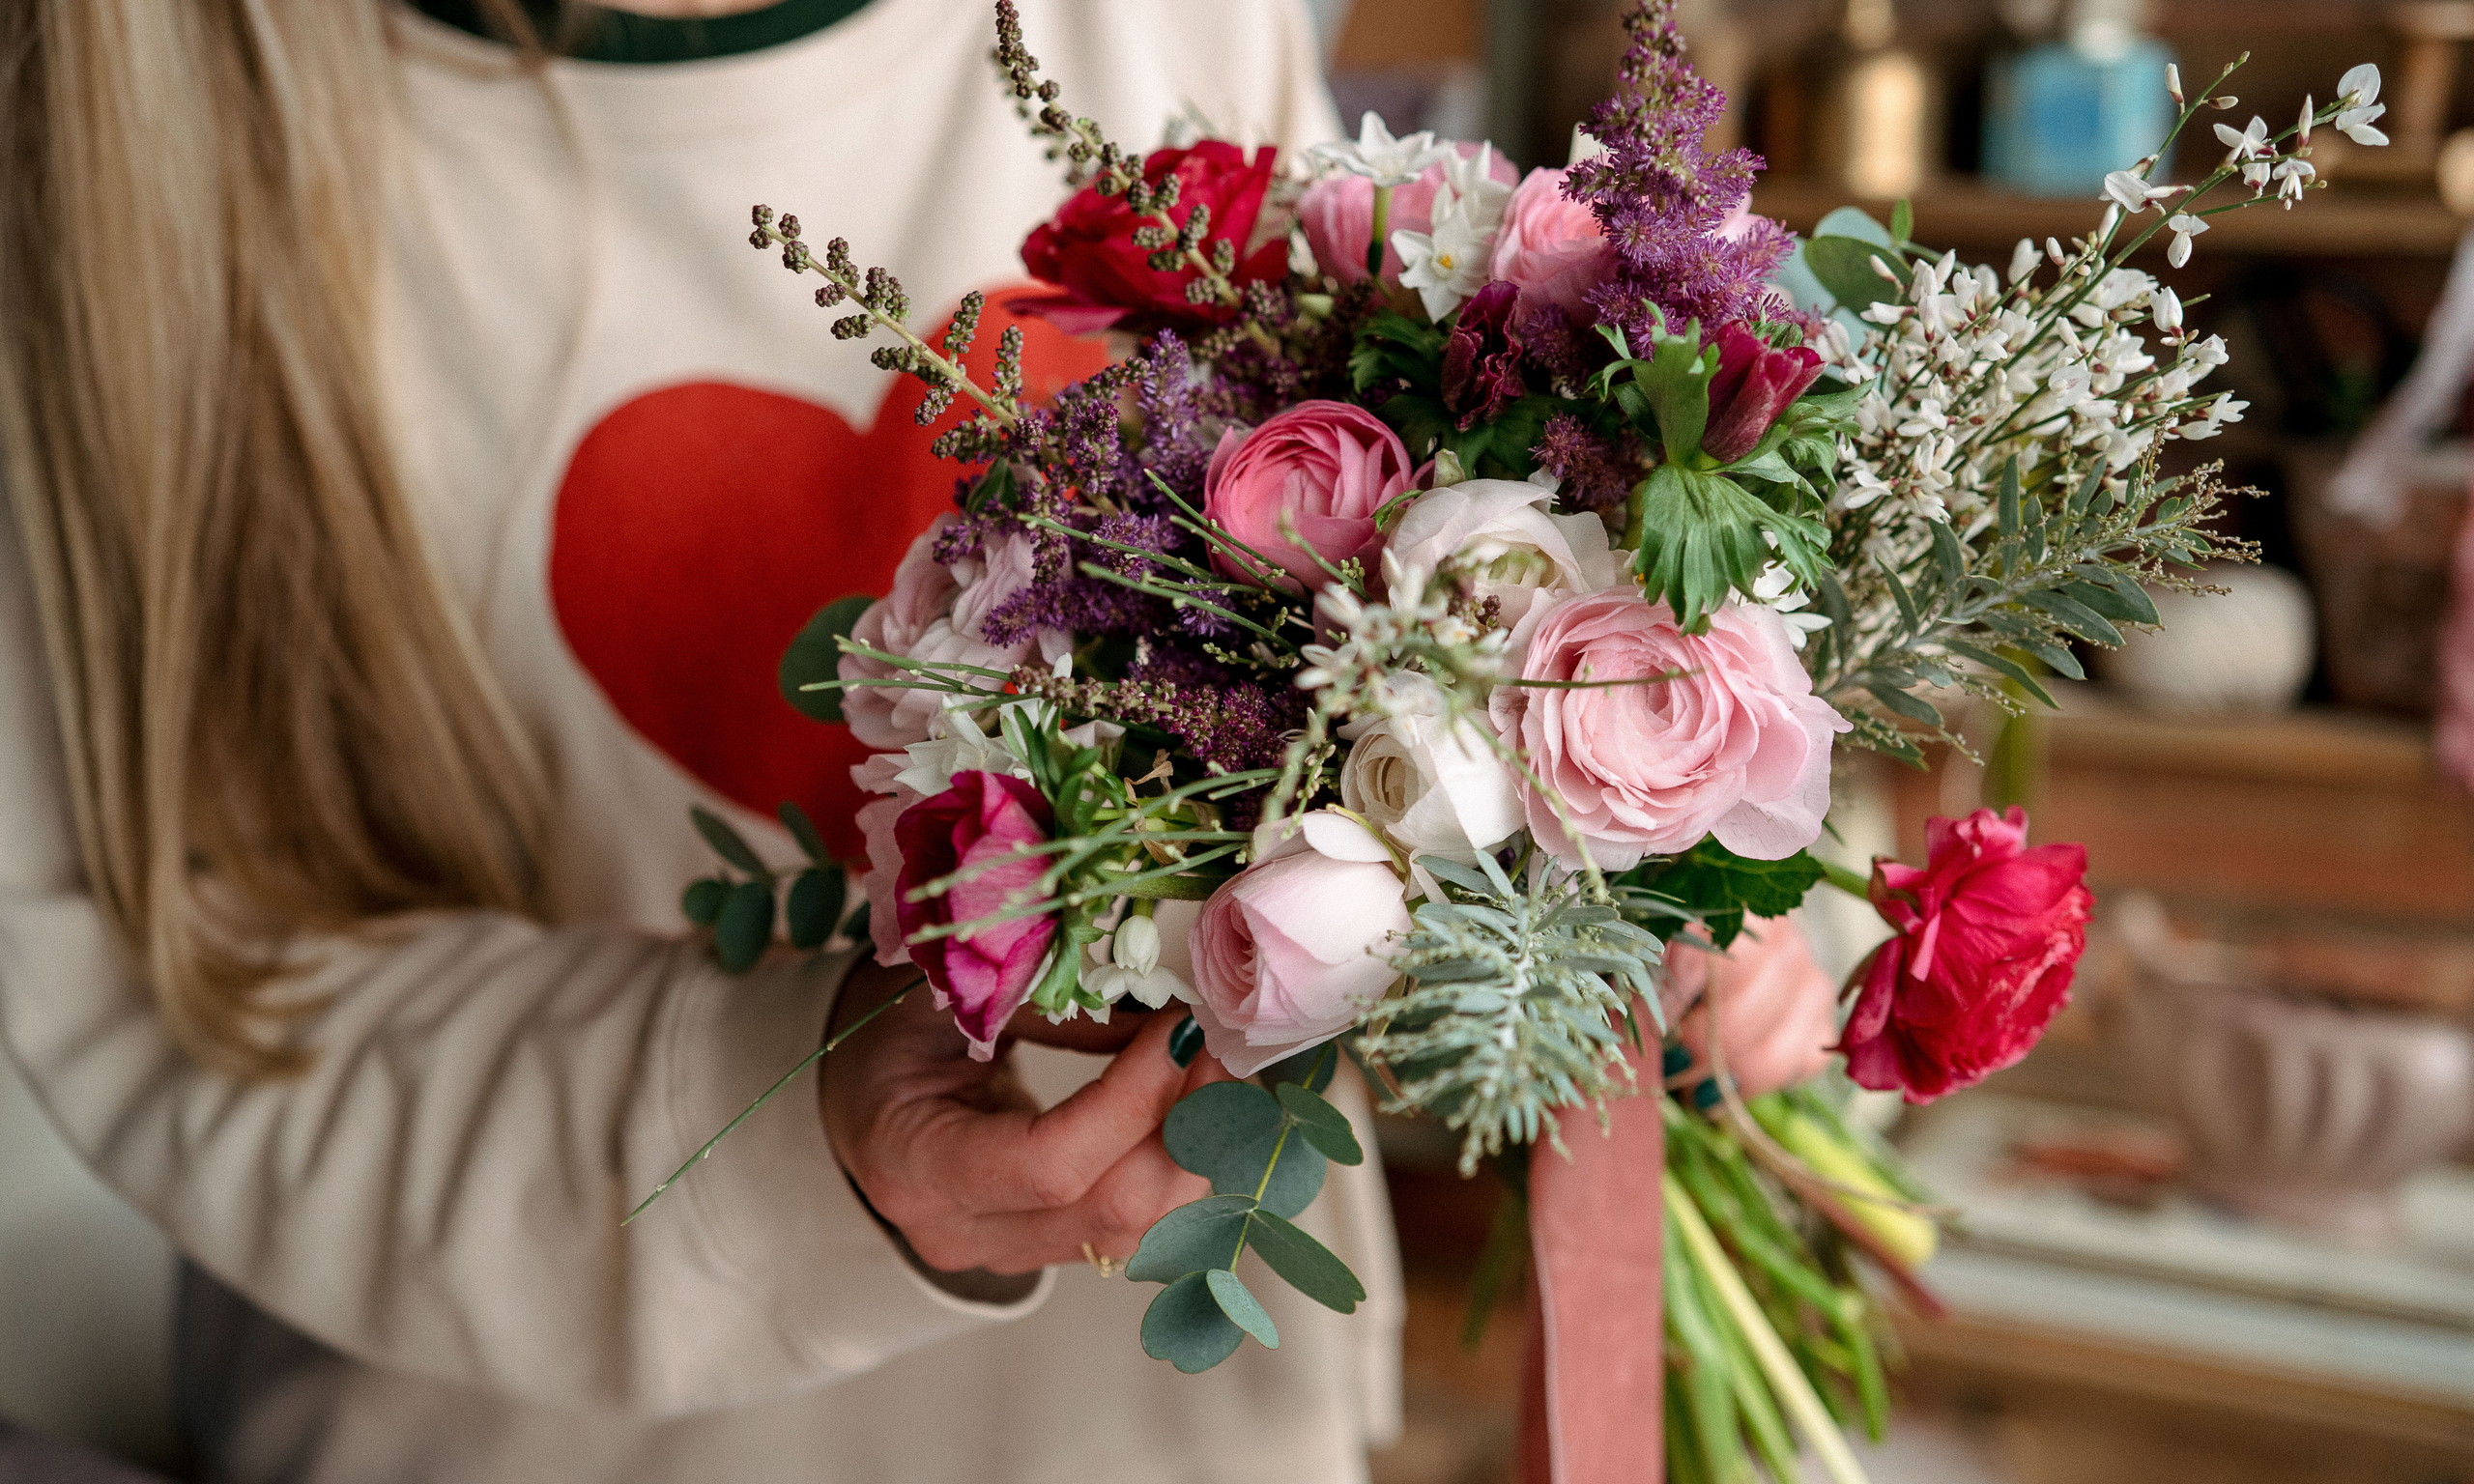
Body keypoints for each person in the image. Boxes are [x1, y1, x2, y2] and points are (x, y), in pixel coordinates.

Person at [0, 2, 1403, 1480]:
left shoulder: (1159, 27)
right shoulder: (117, 148)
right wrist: (798, 1136)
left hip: (1176, 1422)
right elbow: (181, 993)